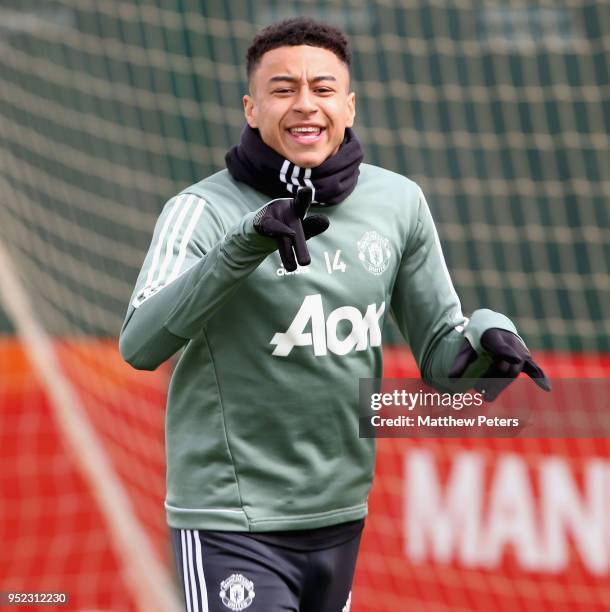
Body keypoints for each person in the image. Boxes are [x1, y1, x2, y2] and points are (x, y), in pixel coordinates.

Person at [119, 17, 549, 612]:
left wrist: (490, 341)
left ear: (348, 106)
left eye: (322, 89)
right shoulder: (202, 209)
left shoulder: (397, 202)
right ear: (250, 108)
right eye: (282, 89)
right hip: (229, 522)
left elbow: (443, 361)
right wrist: (246, 242)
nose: (305, 106)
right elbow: (139, 345)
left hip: (341, 517)